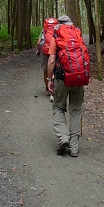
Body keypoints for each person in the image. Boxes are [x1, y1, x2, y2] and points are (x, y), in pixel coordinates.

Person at [47, 15, 85, 157]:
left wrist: (49, 79)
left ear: (59, 25)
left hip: (62, 78)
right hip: (79, 77)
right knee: (75, 110)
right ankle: (74, 148)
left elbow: (51, 61)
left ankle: (63, 138)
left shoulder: (56, 37)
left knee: (58, 106)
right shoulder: (78, 34)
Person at [36, 17, 58, 102]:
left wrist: (38, 51)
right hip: (55, 52)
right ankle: (54, 90)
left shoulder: (43, 31)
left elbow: (39, 42)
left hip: (45, 52)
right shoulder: (57, 30)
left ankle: (48, 89)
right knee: (55, 69)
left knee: (46, 70)